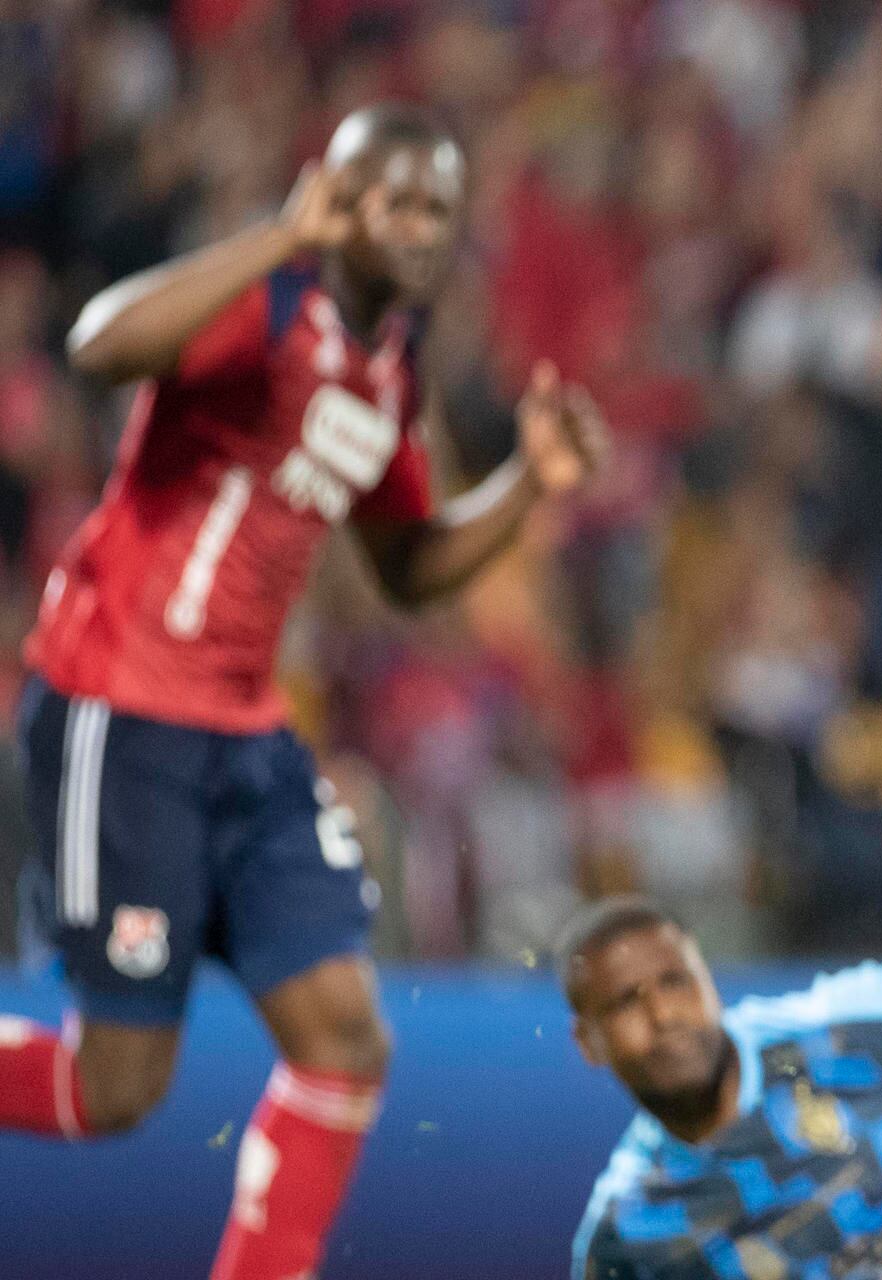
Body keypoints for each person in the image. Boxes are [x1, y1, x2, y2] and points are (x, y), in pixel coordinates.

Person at [0, 104, 606, 1280]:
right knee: (112, 1084)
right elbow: (97, 342)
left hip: (245, 727)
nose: (421, 227)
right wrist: (280, 236)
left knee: (345, 1037)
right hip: (121, 707)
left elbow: (410, 562)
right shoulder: (265, 304)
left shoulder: (390, 367)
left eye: (438, 205)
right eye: (395, 200)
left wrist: (529, 481)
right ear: (335, 194)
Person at [560, 895, 882, 1280]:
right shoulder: (627, 1236)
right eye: (626, 1003)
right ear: (588, 1042)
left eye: (675, 981)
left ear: (709, 979)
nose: (663, 1016)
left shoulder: (844, 1025)